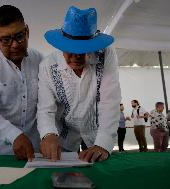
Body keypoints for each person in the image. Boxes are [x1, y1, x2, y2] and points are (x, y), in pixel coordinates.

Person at [37, 6, 121, 163]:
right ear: (60, 45)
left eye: (83, 50)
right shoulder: (47, 66)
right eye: (70, 50)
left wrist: (103, 144)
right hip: (63, 136)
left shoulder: (106, 54)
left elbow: (110, 102)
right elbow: (45, 109)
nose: (76, 56)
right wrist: (48, 134)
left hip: (98, 133)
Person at [0, 5, 43, 160]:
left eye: (20, 36)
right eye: (5, 40)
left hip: (35, 151)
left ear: (27, 31)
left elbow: (47, 105)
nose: (15, 44)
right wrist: (14, 135)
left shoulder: (40, 60)